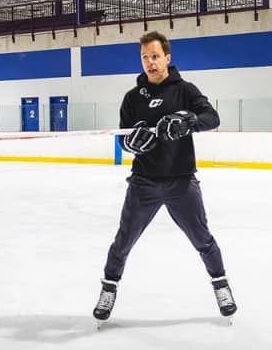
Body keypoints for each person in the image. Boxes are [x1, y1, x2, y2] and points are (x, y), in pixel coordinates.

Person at [93, 30, 236, 321]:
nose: (150, 62)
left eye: (155, 56)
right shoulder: (132, 98)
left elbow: (213, 118)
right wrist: (131, 143)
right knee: (123, 242)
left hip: (181, 181)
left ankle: (221, 285)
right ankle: (109, 289)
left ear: (167, 57)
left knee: (203, 239)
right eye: (145, 57)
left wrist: (189, 122)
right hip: (144, 182)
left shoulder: (185, 90)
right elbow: (123, 138)